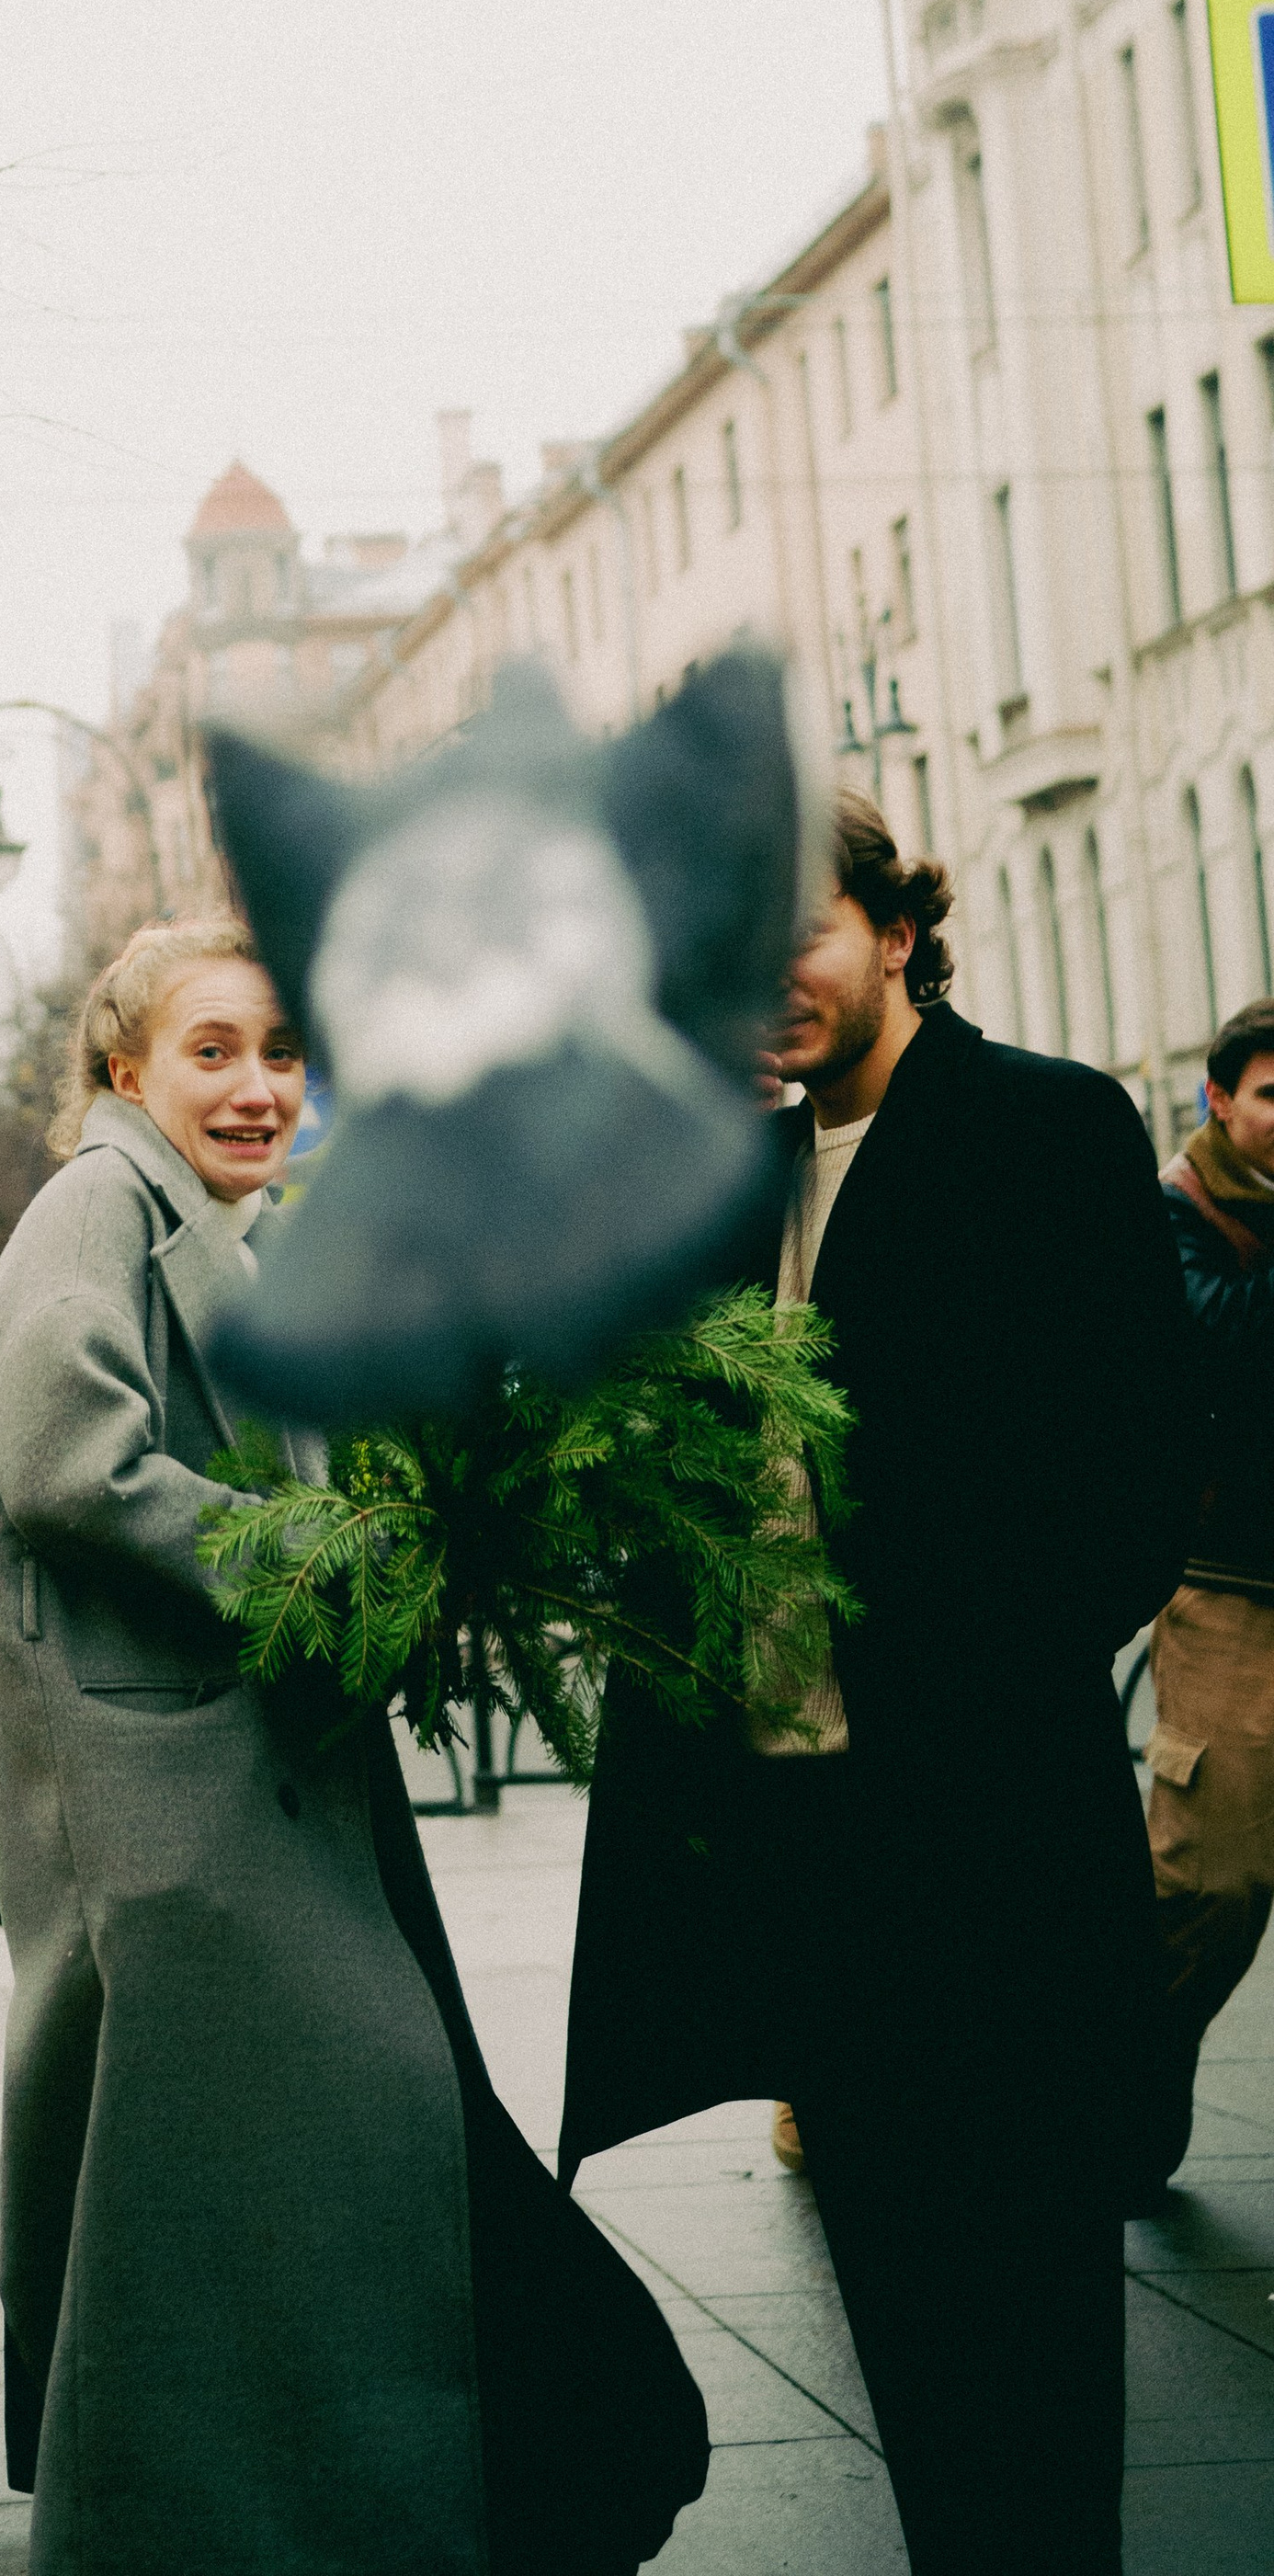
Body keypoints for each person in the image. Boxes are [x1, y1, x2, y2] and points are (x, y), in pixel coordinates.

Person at [0, 916, 708, 2576]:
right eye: (213, 1051)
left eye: (284, 1054)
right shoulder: (97, 1209)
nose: (256, 1088)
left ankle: (327, 2511)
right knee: (294, 2177)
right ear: (124, 1067)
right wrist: (326, 1563)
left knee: (258, 2206)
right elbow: (69, 1457)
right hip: (176, 1826)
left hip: (243, 1803)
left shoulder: (214, 1223)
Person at [561, 795, 1204, 2576]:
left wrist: (942, 1660)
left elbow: (1133, 1484)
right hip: (800, 1859)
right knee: (902, 2318)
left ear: (892, 931)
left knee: (1029, 2335)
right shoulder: (724, 1183)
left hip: (983, 1848)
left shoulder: (1038, 1128)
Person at [1133, 994, 1274, 2194]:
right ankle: (1123, 2091)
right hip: (1231, 1592)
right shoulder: (1170, 1218)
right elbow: (1219, 1348)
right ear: (1219, 1100)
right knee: (1212, 1883)